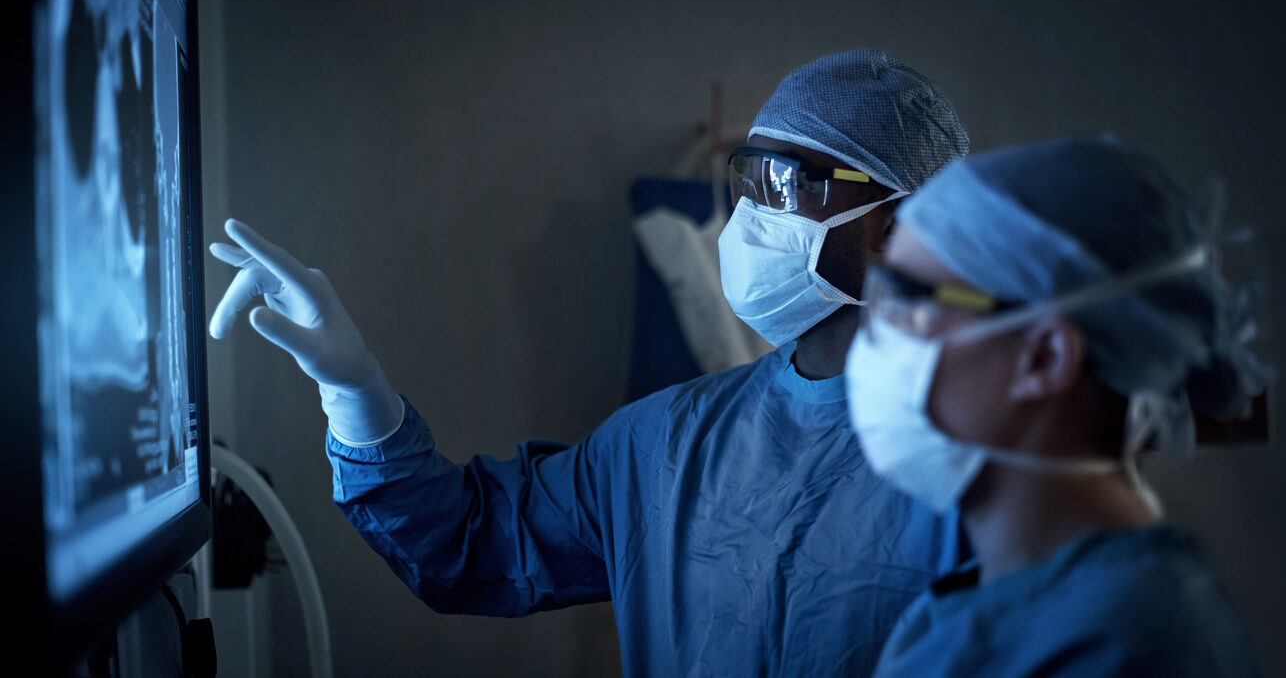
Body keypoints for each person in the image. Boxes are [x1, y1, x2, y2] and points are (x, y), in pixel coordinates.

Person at [208, 50, 972, 676]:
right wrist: (358, 396)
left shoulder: (992, 460)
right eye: (748, 181)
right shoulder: (670, 442)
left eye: (785, 187)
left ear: (896, 227)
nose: (750, 219)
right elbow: (469, 545)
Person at [843, 135, 1272, 676]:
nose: (877, 339)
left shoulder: (1127, 643)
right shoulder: (991, 603)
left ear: (1044, 357)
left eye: (907, 302)